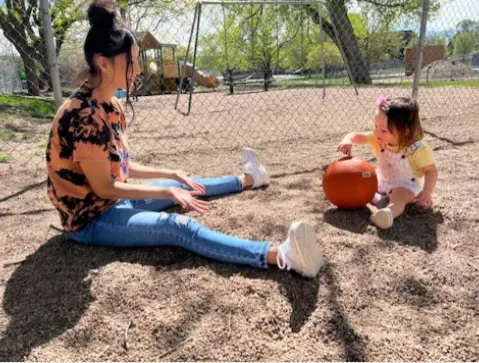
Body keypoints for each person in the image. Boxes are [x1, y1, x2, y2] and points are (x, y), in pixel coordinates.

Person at [45, 0, 324, 278]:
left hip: (112, 202)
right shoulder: (82, 115)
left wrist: (171, 175)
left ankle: (250, 178)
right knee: (180, 227)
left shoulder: (110, 105)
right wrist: (166, 192)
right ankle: (282, 255)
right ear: (104, 64)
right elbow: (105, 187)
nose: (139, 70)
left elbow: (120, 167)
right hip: (92, 219)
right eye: (132, 62)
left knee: (182, 182)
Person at [337, 96, 438, 229]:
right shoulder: (377, 138)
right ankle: (379, 199)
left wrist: (426, 193)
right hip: (382, 179)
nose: (376, 132)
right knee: (362, 182)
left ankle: (387, 213)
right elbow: (356, 135)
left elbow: (431, 171)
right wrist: (348, 140)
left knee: (398, 198)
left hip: (405, 185)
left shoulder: (417, 150)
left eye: (383, 130)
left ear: (405, 131)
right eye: (375, 126)